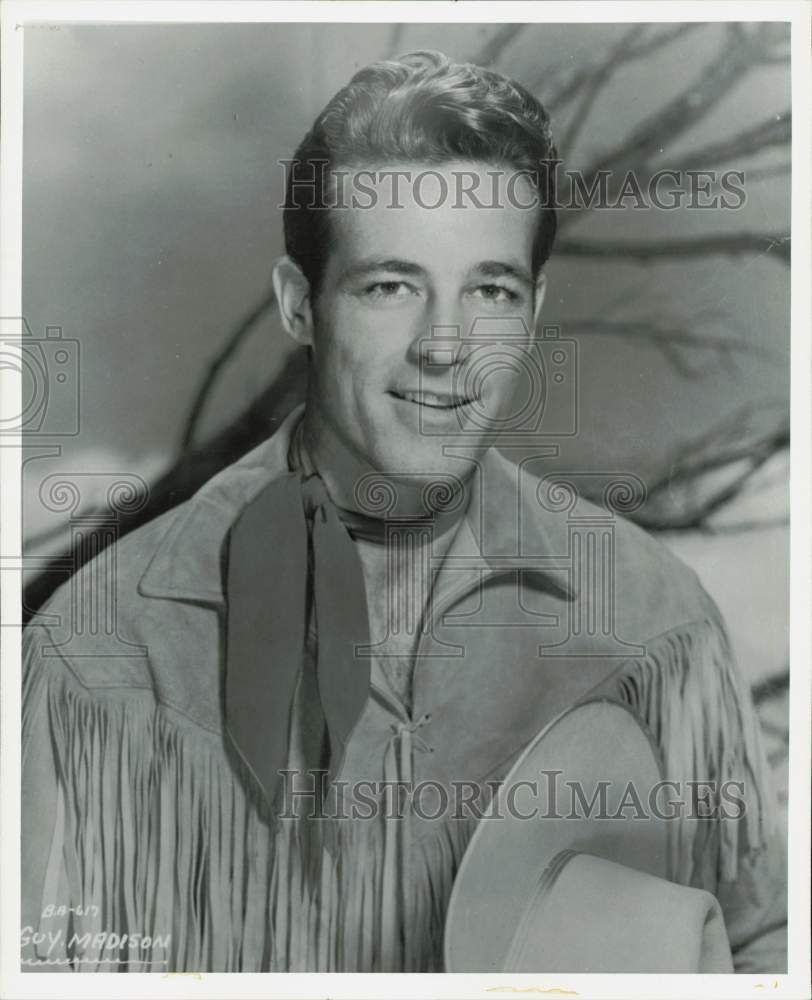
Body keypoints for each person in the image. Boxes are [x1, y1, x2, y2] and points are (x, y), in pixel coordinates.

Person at [21, 50, 786, 973]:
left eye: (491, 290)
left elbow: (758, 950)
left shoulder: (655, 628)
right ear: (301, 304)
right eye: (391, 287)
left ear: (534, 307)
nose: (446, 348)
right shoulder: (105, 655)